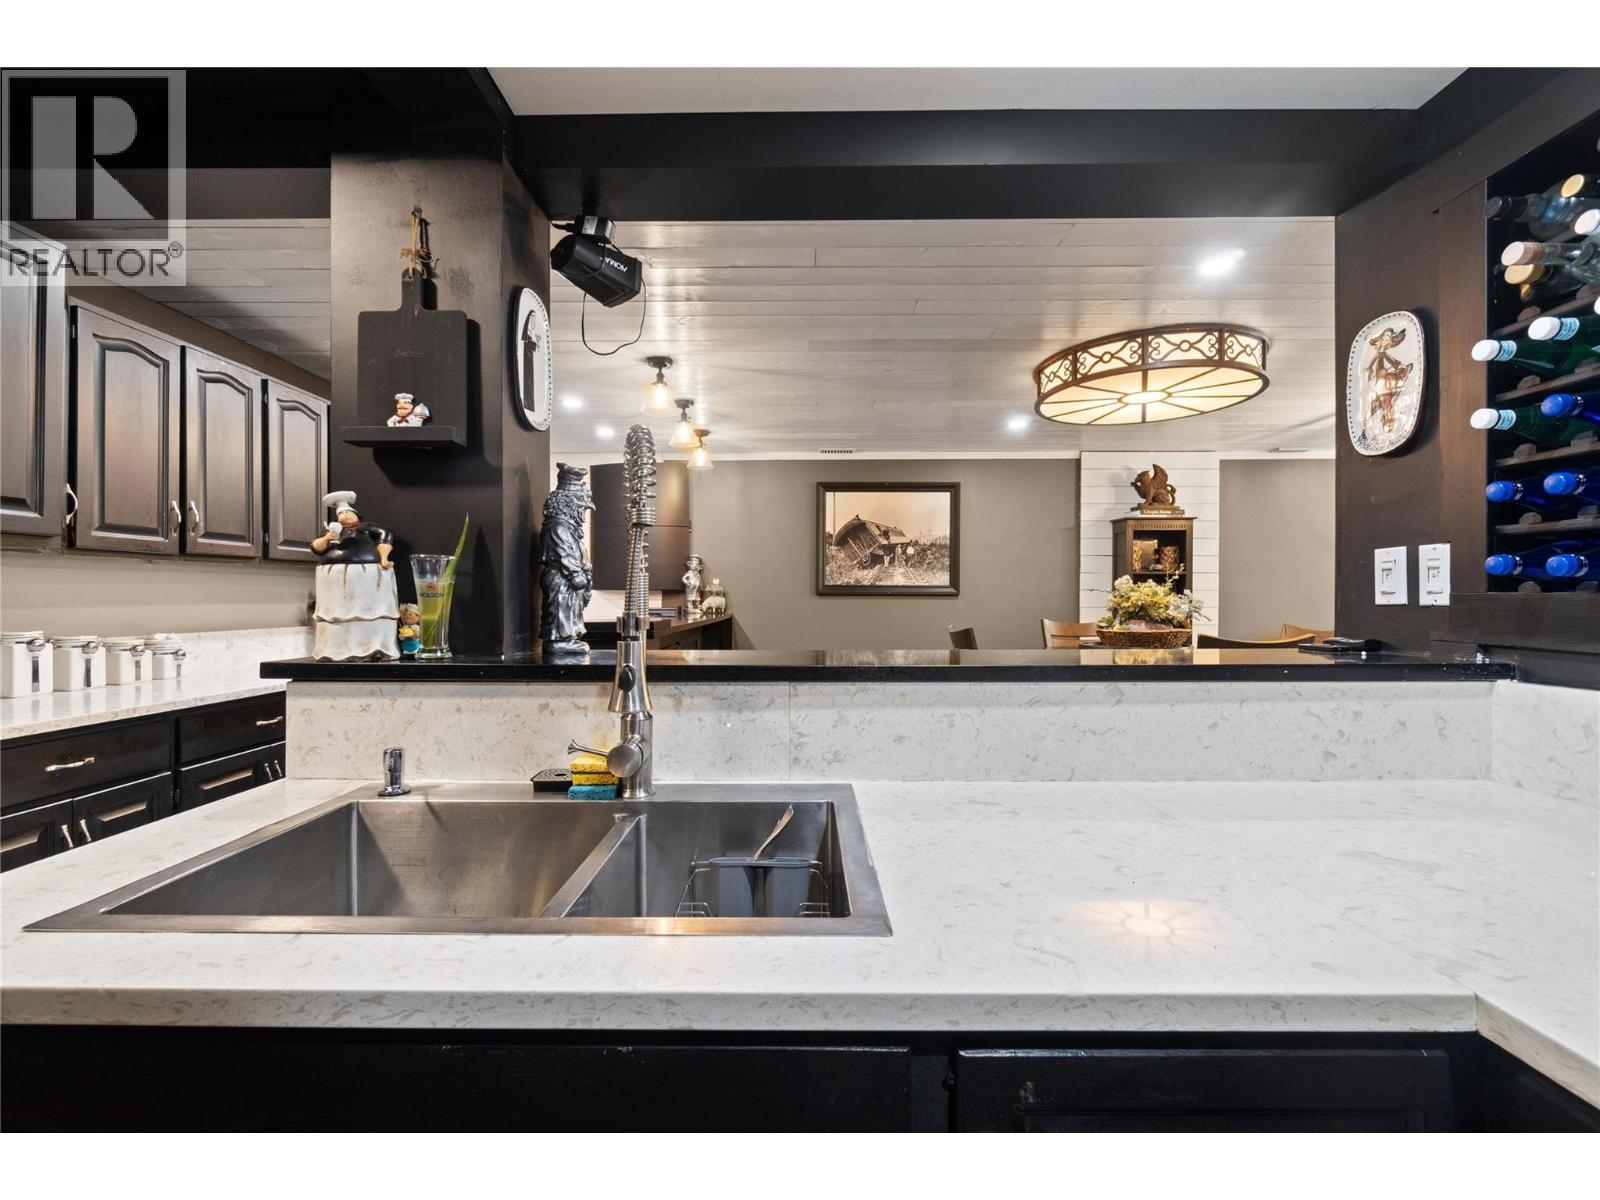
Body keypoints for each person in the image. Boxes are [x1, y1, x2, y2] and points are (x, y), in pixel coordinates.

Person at [311, 491, 400, 660]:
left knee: (372, 612)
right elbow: (316, 547)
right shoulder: (331, 532)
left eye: (347, 512)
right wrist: (329, 537)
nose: (344, 515)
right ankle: (334, 649)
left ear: (355, 513)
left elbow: (386, 534)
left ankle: (375, 647)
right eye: (340, 513)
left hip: (367, 575)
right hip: (333, 577)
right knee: (335, 614)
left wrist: (384, 557)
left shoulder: (366, 528)